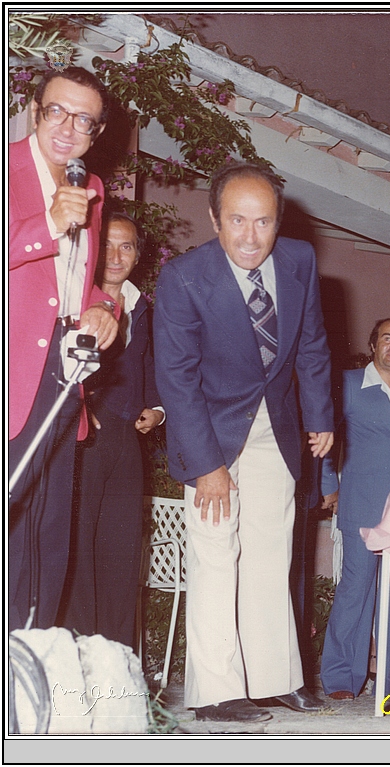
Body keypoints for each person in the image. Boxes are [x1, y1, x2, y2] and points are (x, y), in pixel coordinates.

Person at [154, 162, 335, 723]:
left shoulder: (300, 261)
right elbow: (177, 380)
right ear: (214, 219)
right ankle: (215, 691)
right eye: (237, 221)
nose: (251, 237)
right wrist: (208, 465)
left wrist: (322, 416)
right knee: (215, 554)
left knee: (270, 551)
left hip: (276, 427)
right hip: (210, 426)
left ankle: (274, 677)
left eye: (263, 222)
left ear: (279, 221)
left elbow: (311, 345)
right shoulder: (184, 278)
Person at [9, 66, 120, 631]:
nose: (68, 128)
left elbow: (80, 281)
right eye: (57, 111)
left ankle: (34, 653)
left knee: (49, 524)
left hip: (65, 368)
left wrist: (106, 308)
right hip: (13, 369)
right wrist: (46, 223)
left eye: (84, 119)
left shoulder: (91, 188)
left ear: (96, 132)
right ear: (34, 110)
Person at [59, 212, 164, 647]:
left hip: (126, 440)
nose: (117, 255)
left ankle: (118, 666)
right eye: (110, 245)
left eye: (128, 246)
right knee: (79, 549)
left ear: (138, 255)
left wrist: (158, 409)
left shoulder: (142, 306)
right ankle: (80, 660)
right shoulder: (78, 299)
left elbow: (150, 366)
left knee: (122, 552)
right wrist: (79, 406)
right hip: (87, 437)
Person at [319, 318, 390, 701]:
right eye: (387, 338)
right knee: (356, 590)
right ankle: (340, 679)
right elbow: (324, 437)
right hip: (362, 502)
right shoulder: (350, 384)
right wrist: (328, 485)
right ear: (374, 345)